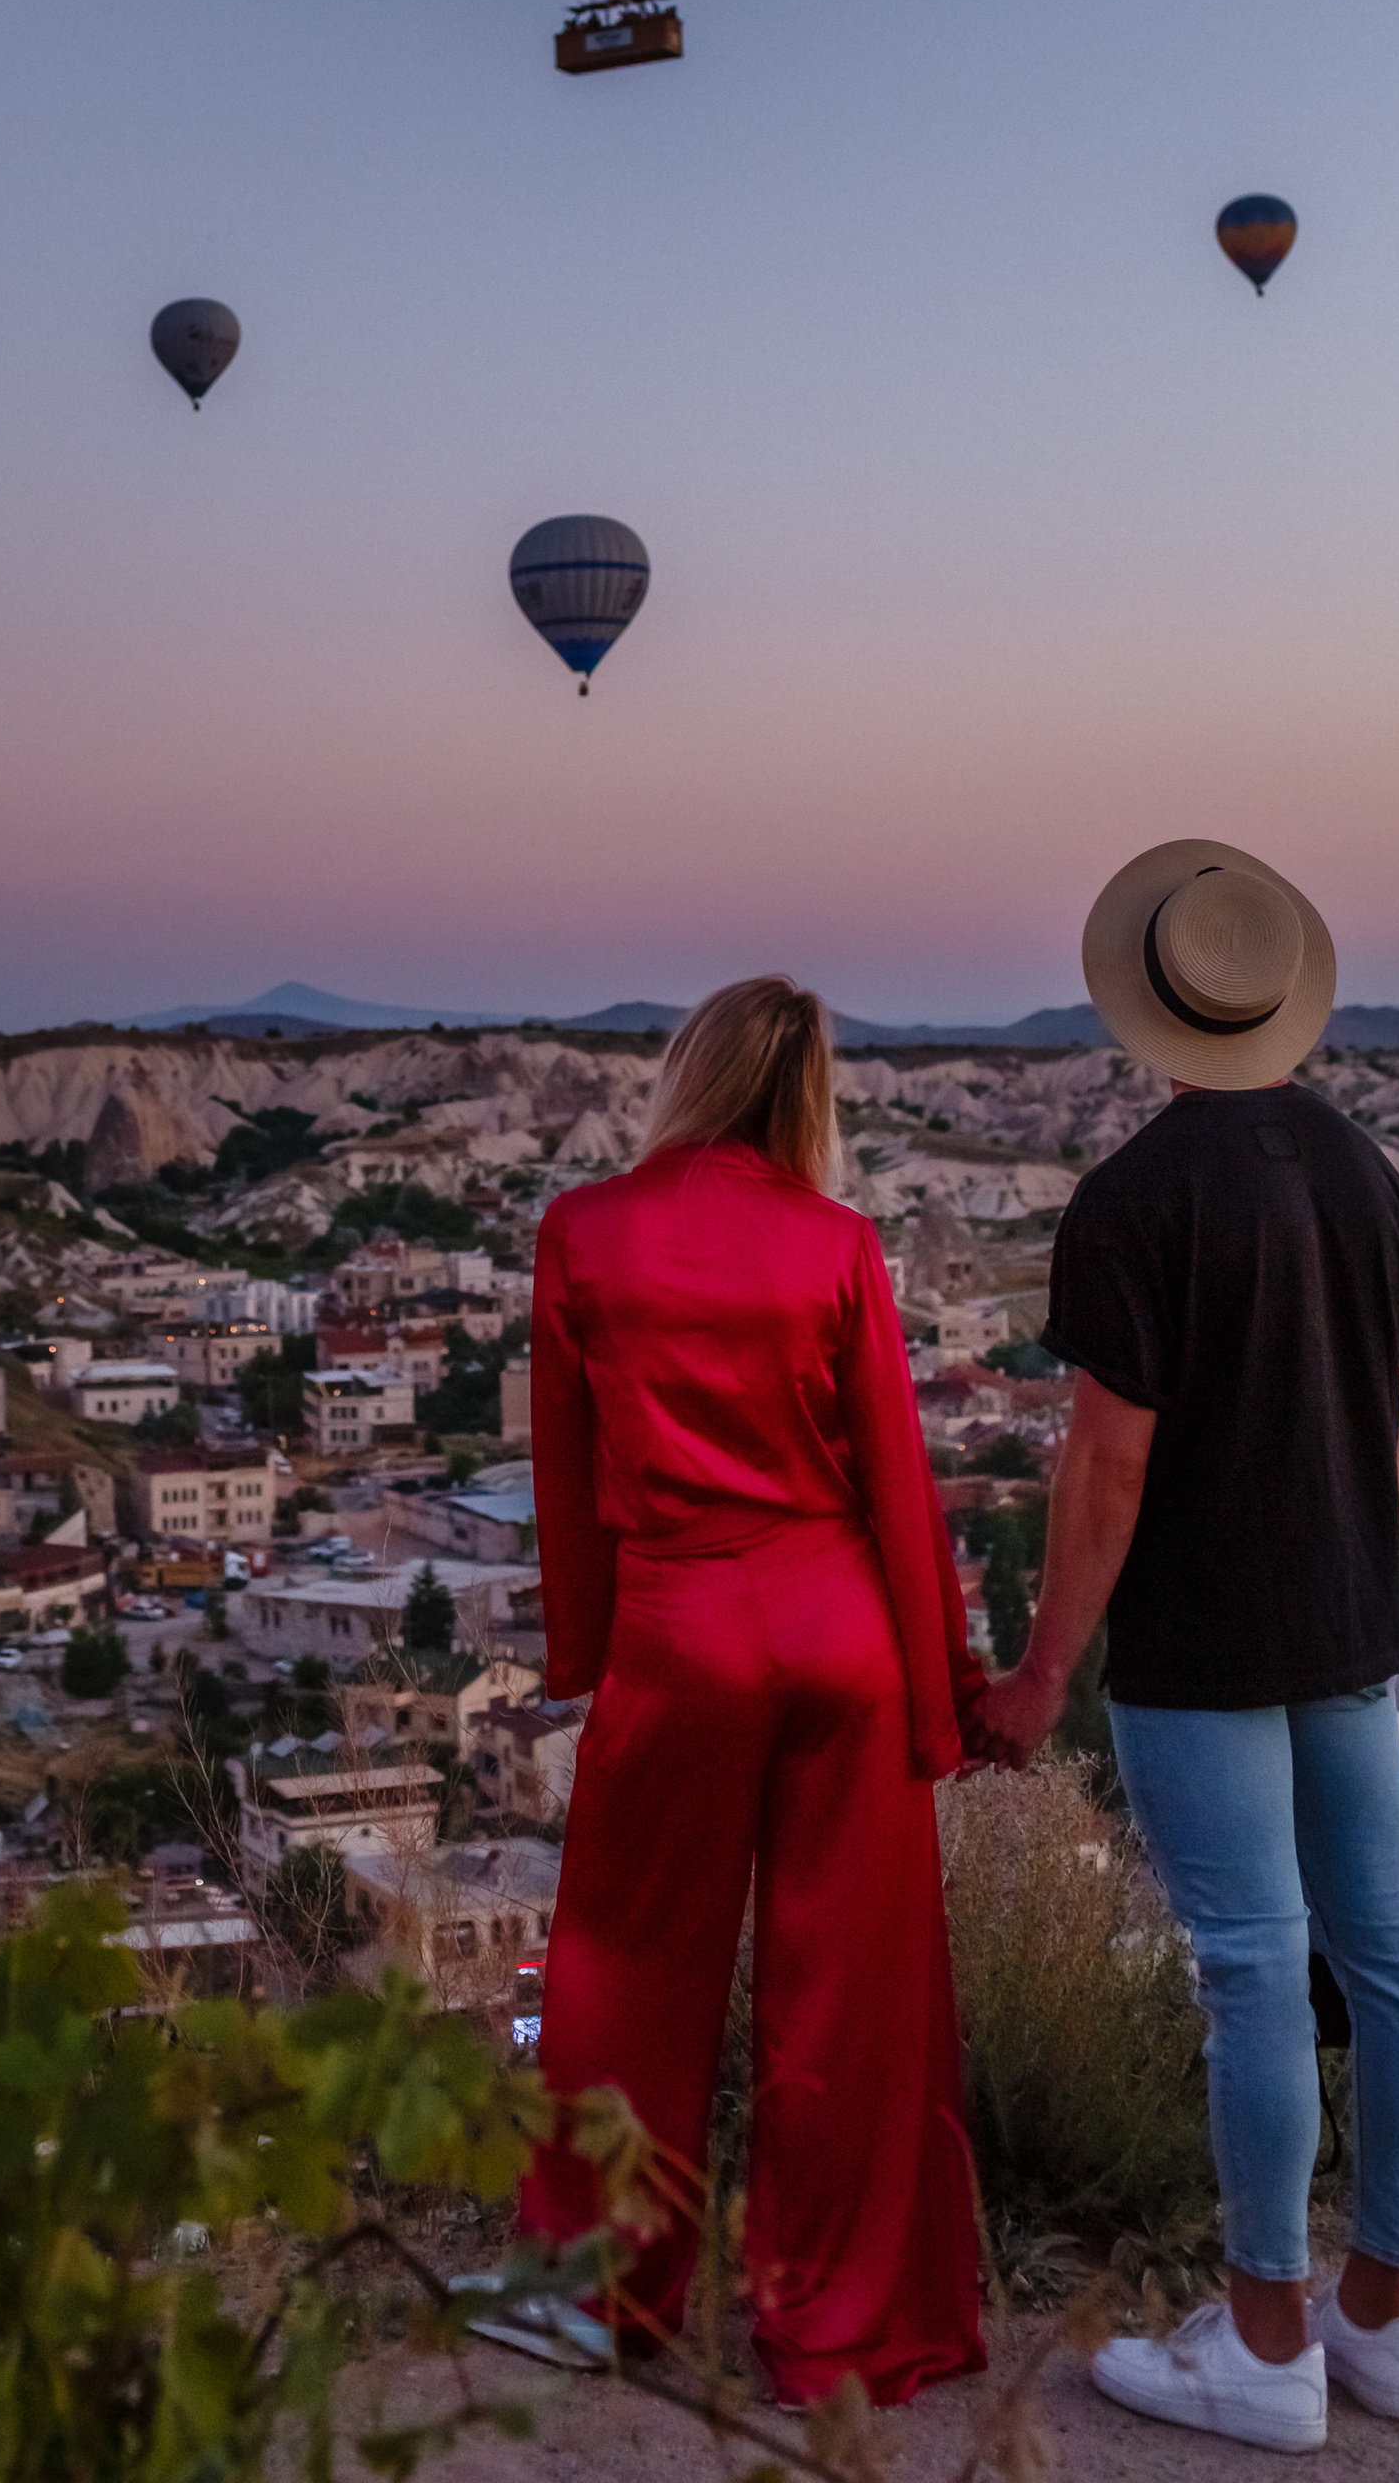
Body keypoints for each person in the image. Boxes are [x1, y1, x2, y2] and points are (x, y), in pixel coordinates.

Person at [981, 841, 1399, 2458]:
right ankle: (1378, 2320)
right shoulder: (1368, 1176)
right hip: (1348, 1618)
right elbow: (1390, 1433)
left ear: (1152, 1013)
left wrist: (1043, 1670)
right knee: (1381, 1951)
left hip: (1202, 1638)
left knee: (1251, 1967)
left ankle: (1262, 2344)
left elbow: (1105, 1466)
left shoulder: (1133, 1202)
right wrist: (1365, 1595)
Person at [517, 976, 990, 2407]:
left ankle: (594, 2301)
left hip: (682, 1624)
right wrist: (944, 1686)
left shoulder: (582, 1232)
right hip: (840, 1624)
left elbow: (563, 1473)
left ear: (687, 1071)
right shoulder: (839, 1243)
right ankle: (840, 2330)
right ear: (809, 1096)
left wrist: (581, 1656)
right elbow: (900, 1481)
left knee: (626, 1968)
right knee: (849, 1997)